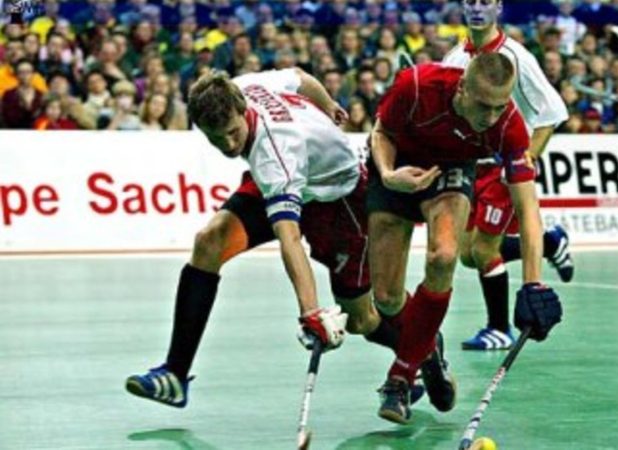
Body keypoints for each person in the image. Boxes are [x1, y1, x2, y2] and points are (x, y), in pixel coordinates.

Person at [125, 67, 406, 407]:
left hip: (339, 197)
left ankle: (420, 352)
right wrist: (327, 103)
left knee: (360, 319)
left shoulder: (274, 153)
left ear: (243, 109)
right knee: (209, 242)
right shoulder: (241, 86)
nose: (229, 145)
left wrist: (310, 312)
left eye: (233, 132)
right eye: (217, 139)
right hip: (292, 180)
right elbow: (300, 77)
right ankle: (174, 375)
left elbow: (289, 238)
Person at [368, 53, 563, 423]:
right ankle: (428, 347)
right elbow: (381, 133)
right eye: (484, 106)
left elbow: (528, 210)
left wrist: (533, 284)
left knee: (444, 257)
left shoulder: (508, 126)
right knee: (387, 299)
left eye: (500, 106)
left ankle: (400, 377)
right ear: (462, 89)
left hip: (451, 171)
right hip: (396, 167)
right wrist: (389, 174)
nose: (491, 117)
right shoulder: (416, 85)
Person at [441, 0, 572, 351]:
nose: (477, 8)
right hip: (471, 166)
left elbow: (552, 112)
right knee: (468, 255)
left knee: (484, 250)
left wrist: (527, 158)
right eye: (470, 1)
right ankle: (552, 243)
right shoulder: (454, 57)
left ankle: (499, 328)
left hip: (504, 167)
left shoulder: (516, 57)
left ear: (498, 7)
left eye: (485, 1)